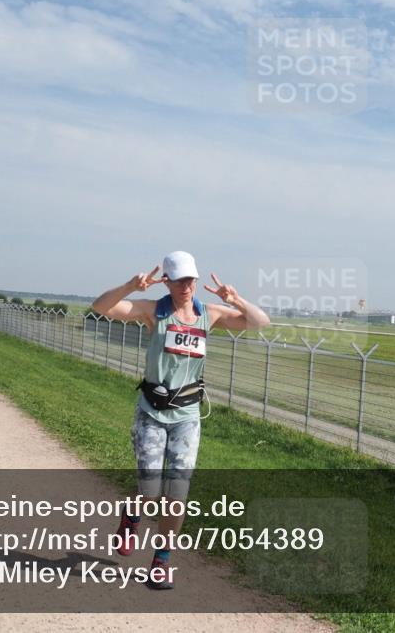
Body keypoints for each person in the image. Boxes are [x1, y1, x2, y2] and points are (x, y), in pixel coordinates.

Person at [92, 250, 270, 590]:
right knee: (149, 488)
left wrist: (237, 299)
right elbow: (101, 307)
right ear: (168, 281)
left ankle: (162, 559)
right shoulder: (153, 311)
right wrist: (130, 286)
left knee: (176, 492)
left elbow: (261, 323)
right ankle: (132, 516)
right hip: (152, 412)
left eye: (191, 279)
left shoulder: (209, 314)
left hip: (188, 415)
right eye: (180, 279)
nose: (187, 285)